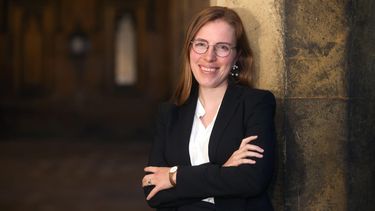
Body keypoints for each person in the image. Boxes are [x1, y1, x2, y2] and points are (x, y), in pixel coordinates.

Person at [142, 6, 276, 211]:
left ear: (237, 56)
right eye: (201, 44)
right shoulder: (169, 113)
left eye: (222, 47)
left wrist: (175, 176)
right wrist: (224, 171)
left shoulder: (256, 104)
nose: (209, 57)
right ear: (189, 49)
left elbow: (252, 180)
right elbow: (153, 192)